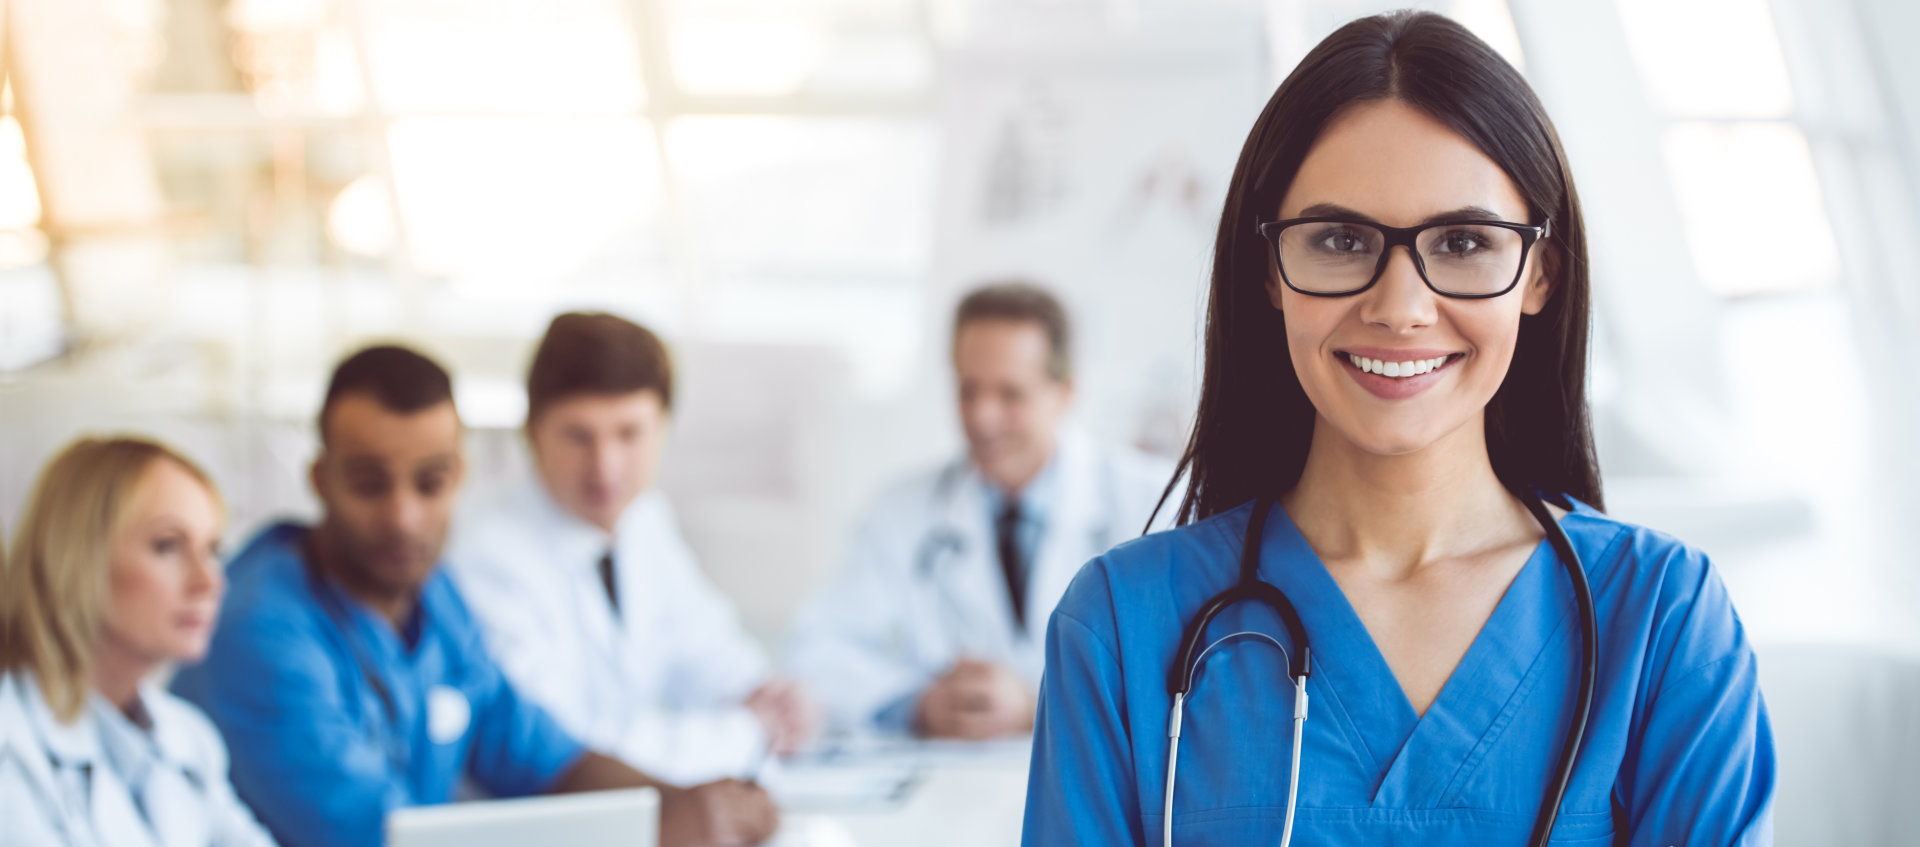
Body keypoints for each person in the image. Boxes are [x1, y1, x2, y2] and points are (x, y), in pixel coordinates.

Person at [1022, 12, 1775, 846]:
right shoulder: (1123, 628)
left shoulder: (1663, 622)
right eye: (1341, 239)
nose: (1400, 307)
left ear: (1538, 274)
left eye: (1462, 242)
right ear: (1270, 268)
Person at [169, 345, 777, 847]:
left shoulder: (433, 598)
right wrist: (651, 831)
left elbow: (538, 753)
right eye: (368, 485)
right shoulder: (259, 631)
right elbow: (378, 838)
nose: (404, 517)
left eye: (430, 483)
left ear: (460, 475)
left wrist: (683, 805)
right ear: (320, 481)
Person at [785, 282, 1174, 739]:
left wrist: (1040, 705)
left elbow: (1195, 673)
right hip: (948, 791)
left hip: (1106, 789)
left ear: (1064, 392)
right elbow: (814, 653)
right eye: (969, 390)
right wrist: (919, 703)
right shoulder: (902, 511)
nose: (982, 417)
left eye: (1009, 395)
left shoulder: (1155, 500)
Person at [446, 312, 817, 784]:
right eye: (578, 436)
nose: (605, 466)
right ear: (533, 432)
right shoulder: (485, 558)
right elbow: (572, 752)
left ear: (663, 428)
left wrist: (768, 697)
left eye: (628, 433)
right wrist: (742, 733)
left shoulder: (644, 521)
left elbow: (707, 650)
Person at [0, 437, 276, 846]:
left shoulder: (189, 739)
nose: (209, 582)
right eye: (168, 546)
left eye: (212, 550)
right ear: (77, 556)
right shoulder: (13, 744)